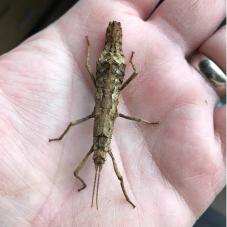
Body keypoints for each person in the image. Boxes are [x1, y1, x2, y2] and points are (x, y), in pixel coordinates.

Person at [0, 0, 225, 226]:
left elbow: (77, 131)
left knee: (96, 71)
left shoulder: (98, 142)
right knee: (100, 75)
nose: (98, 161)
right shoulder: (100, 144)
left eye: (98, 159)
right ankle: (125, 196)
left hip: (109, 78)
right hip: (114, 75)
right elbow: (94, 164)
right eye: (101, 160)